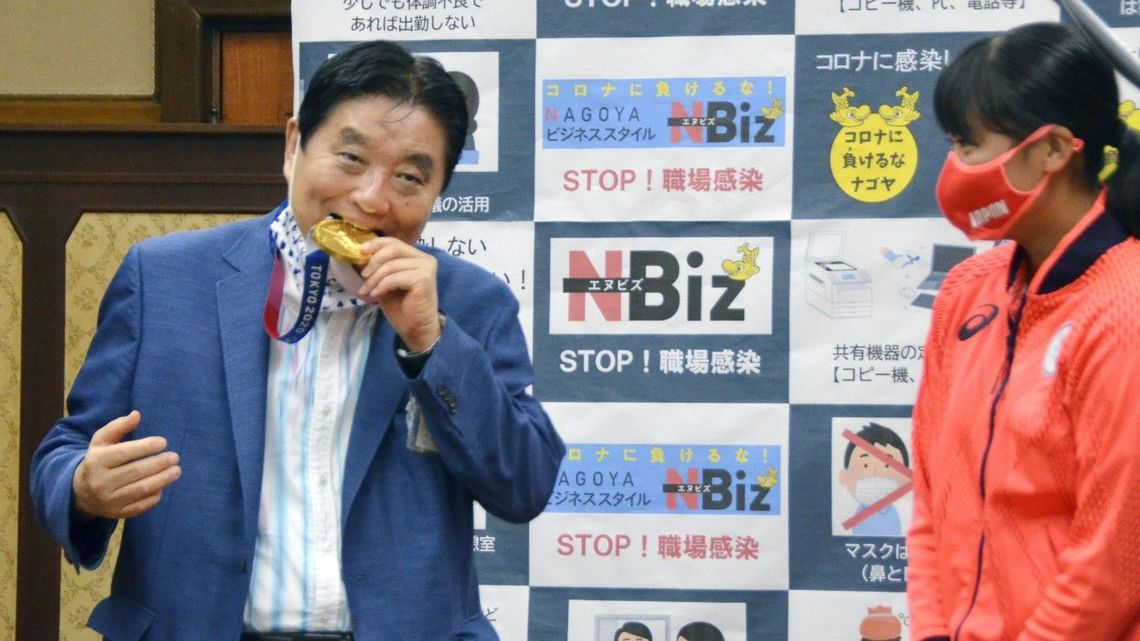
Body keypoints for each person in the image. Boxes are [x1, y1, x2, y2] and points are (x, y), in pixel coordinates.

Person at [29, 39, 565, 641]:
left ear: (437, 192)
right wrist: (84, 487)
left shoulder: (469, 302)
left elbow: (526, 483)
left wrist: (430, 343)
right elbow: (65, 451)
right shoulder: (164, 278)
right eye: (351, 159)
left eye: (409, 177)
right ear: (293, 146)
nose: (372, 199)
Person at [908, 21, 1140, 641]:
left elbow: (1114, 565)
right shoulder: (964, 291)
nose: (954, 167)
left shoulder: (1126, 308)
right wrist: (932, 631)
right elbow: (932, 496)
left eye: (968, 145)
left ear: (1055, 149)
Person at [838, 422, 910, 537]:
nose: (875, 474)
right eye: (865, 465)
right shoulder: (859, 515)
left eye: (887, 465)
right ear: (844, 477)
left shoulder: (898, 514)